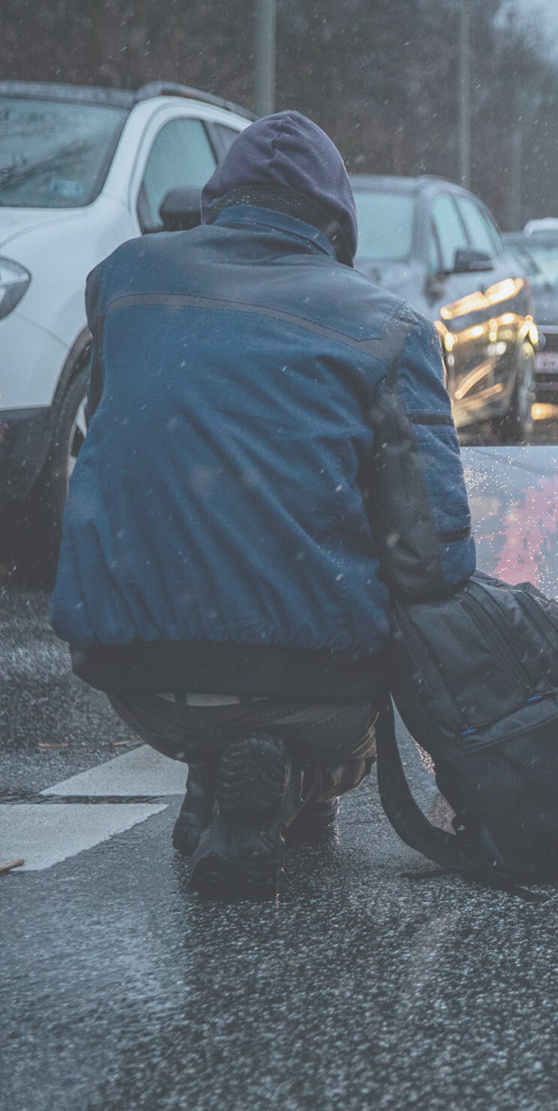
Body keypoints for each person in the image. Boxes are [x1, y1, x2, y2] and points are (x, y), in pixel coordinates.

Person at [50, 111, 474, 899]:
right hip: (306, 678)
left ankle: (215, 768)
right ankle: (294, 784)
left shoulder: (124, 280)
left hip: (129, 665)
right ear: (337, 224)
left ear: (218, 201)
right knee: (370, 648)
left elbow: (127, 454)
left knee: (216, 626)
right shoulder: (390, 327)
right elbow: (435, 558)